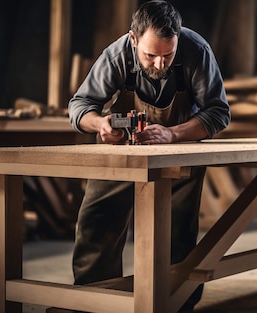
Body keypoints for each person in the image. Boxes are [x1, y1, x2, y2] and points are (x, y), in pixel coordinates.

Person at [67, 1, 230, 311]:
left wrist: (173, 134)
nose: (159, 64)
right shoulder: (116, 55)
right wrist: (100, 123)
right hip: (123, 150)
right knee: (97, 222)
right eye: (150, 55)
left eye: (167, 55)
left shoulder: (196, 51)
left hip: (179, 150)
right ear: (133, 39)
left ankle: (176, 302)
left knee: (177, 231)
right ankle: (93, 301)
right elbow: (79, 106)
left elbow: (219, 112)